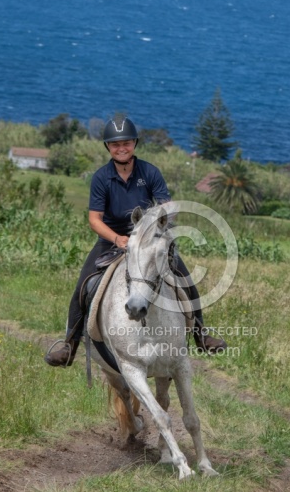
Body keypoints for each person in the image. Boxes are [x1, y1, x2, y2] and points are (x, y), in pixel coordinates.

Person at [45, 116, 227, 367]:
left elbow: (166, 205)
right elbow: (95, 220)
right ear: (108, 146)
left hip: (148, 240)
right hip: (112, 240)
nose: (122, 148)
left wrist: (163, 217)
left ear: (135, 144)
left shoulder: (150, 172)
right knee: (83, 286)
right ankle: (69, 344)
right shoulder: (101, 177)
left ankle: (201, 335)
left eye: (127, 143)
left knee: (185, 280)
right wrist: (117, 237)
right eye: (115, 144)